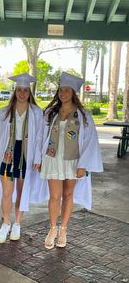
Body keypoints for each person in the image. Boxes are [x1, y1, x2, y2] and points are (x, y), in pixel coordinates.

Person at [40, 71, 103, 249]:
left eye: (67, 90)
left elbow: (90, 141)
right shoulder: (50, 113)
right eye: (61, 89)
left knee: (68, 195)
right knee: (54, 196)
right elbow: (40, 137)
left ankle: (63, 229)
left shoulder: (83, 115)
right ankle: (53, 228)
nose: (63, 92)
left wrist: (84, 164)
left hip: (73, 160)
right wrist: (39, 158)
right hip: (52, 158)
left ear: (74, 93)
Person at [0, 73, 45, 243]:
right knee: (7, 192)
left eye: (25, 90)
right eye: (19, 90)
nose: (22, 93)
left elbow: (39, 137)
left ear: (29, 92)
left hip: (26, 153)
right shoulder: (5, 112)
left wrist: (38, 157)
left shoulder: (36, 112)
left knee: (21, 190)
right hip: (7, 153)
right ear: (15, 91)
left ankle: (17, 223)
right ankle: (6, 223)